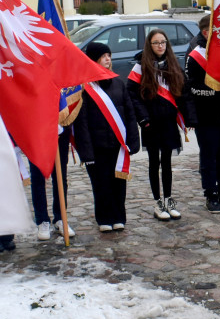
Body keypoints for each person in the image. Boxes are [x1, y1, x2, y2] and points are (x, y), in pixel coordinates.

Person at [128, 28, 194, 220]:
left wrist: (189, 118)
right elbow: (132, 94)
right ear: (150, 45)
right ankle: (157, 202)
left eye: (163, 42)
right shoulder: (140, 67)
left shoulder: (173, 65)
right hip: (151, 123)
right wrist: (143, 118)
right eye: (156, 43)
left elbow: (184, 93)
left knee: (167, 162)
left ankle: (169, 199)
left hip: (168, 123)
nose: (160, 46)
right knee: (153, 163)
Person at [73, 42, 140, 231]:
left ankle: (119, 216)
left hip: (117, 145)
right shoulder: (85, 88)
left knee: (119, 182)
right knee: (101, 184)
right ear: (94, 60)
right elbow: (82, 123)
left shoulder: (119, 83)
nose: (108, 59)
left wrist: (133, 140)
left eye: (109, 55)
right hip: (97, 146)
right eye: (103, 56)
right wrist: (86, 152)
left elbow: (129, 113)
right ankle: (104, 218)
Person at [185, 19, 220, 213]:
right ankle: (211, 194)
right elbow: (193, 89)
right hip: (205, 116)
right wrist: (217, 91)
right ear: (206, 33)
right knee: (209, 157)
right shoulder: (195, 56)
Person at [29, 127, 73, 241]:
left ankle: (61, 217)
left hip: (60, 126)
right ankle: (42, 220)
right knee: (37, 176)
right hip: (36, 127)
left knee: (60, 176)